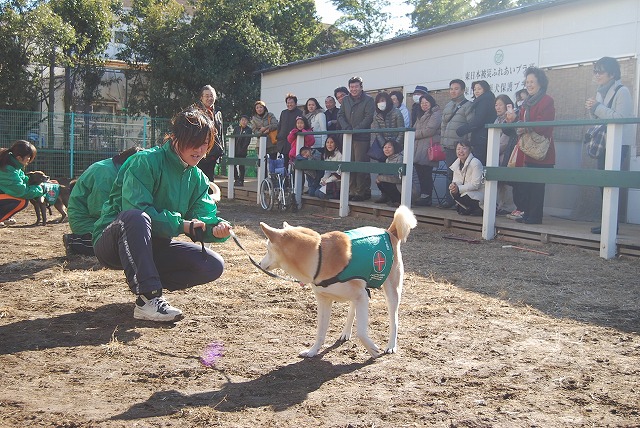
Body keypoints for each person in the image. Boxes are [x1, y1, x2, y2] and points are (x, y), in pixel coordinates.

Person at [92, 107, 232, 322]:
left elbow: (203, 216)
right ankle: (149, 298)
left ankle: (146, 286)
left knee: (213, 265)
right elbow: (136, 208)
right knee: (136, 218)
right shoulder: (145, 161)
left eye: (206, 143)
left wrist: (216, 228)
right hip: (113, 240)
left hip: (152, 245)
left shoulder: (198, 178)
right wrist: (181, 225)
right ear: (175, 138)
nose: (201, 150)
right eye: (195, 142)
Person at [64, 146, 143, 256]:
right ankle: (77, 242)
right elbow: (99, 210)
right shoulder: (106, 174)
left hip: (97, 218)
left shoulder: (115, 169)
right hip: (87, 221)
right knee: (121, 245)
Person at [585, 56, 634, 234]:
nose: (597, 75)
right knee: (602, 182)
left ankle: (611, 224)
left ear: (612, 73)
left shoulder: (622, 91)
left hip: (618, 144)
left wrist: (596, 107)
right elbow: (600, 119)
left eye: (600, 71)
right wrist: (593, 109)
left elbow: (621, 118)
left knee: (610, 183)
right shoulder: (600, 91)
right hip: (604, 142)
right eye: (595, 71)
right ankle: (606, 222)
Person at [505, 66, 556, 225]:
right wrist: (513, 120)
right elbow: (520, 125)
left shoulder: (547, 100)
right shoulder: (526, 102)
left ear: (540, 82)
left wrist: (523, 125)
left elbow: (544, 124)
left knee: (537, 186)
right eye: (527, 82)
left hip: (541, 149)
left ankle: (535, 216)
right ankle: (527, 214)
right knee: (526, 184)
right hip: (526, 149)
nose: (529, 85)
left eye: (532, 81)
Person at [337, 76, 375, 201]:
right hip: (347, 136)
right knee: (349, 163)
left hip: (361, 137)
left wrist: (357, 129)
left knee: (360, 164)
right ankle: (351, 190)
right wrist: (346, 127)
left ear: (361, 87)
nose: (354, 89)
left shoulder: (368, 100)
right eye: (351, 87)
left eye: (356, 86)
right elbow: (340, 115)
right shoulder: (346, 100)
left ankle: (361, 191)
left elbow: (369, 117)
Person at [440, 79, 473, 209]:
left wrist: (468, 146)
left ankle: (460, 202)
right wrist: (442, 142)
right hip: (449, 146)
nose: (453, 91)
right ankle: (449, 200)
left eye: (456, 88)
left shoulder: (468, 105)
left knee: (462, 176)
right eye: (451, 88)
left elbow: (471, 126)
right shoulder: (448, 106)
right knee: (450, 174)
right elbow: (443, 126)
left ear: (463, 90)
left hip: (462, 148)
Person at [0, 140, 45, 226]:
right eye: (29, 157)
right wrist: (40, 189)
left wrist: (41, 183)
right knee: (21, 200)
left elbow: (24, 180)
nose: (30, 159)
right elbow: (22, 191)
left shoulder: (12, 163)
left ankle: (5, 218)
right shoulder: (8, 169)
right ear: (19, 158)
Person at [456, 80, 497, 166]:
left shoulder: (484, 101)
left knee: (478, 165)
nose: (476, 91)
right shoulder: (485, 100)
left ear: (485, 89)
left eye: (479, 89)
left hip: (481, 138)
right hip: (482, 137)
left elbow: (478, 120)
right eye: (475, 89)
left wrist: (462, 129)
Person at [413, 94, 442, 207]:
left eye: (426, 102)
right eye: (422, 103)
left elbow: (430, 130)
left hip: (428, 148)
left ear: (431, 102)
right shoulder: (421, 115)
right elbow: (414, 127)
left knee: (426, 174)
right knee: (420, 173)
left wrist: (413, 135)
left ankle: (427, 197)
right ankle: (423, 195)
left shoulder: (436, 114)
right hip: (419, 148)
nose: (424, 105)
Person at [193, 85, 224, 183]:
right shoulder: (196, 112)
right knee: (198, 179)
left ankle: (210, 198)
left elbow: (221, 133)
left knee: (210, 180)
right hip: (199, 151)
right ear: (201, 98)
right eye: (207, 96)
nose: (210, 98)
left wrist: (221, 149)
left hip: (213, 152)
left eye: (212, 95)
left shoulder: (218, 112)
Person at [493, 94, 518, 216]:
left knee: (506, 183)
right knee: (500, 183)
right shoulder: (497, 119)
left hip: (505, 154)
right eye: (496, 105)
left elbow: (504, 141)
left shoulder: (508, 118)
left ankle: (508, 206)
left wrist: (492, 150)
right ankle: (501, 205)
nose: (497, 107)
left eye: (500, 105)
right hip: (497, 155)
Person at [449, 140, 484, 216]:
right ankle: (470, 209)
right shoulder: (457, 163)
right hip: (465, 191)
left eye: (464, 148)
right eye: (458, 149)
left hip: (478, 193)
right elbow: (456, 180)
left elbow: (476, 185)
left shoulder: (475, 162)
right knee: (452, 191)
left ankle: (479, 209)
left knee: (465, 194)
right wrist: (454, 186)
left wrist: (459, 188)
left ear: (470, 149)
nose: (461, 151)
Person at [370, 91, 405, 159]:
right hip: (382, 147)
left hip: (397, 145)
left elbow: (401, 131)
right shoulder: (376, 114)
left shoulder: (397, 112)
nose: (381, 103)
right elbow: (377, 132)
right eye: (378, 101)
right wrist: (385, 146)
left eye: (383, 100)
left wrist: (394, 146)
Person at [375, 140, 404, 207]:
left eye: (389, 147)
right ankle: (392, 199)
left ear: (395, 148)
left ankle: (398, 201)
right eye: (385, 147)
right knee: (380, 181)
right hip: (396, 183)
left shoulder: (400, 158)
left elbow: (399, 178)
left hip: (407, 188)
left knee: (384, 181)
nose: (386, 149)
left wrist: (381, 178)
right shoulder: (388, 159)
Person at [276, 93, 304, 162]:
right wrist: (278, 136)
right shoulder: (284, 112)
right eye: (288, 103)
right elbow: (279, 126)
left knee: (293, 163)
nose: (289, 104)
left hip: (293, 142)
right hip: (282, 142)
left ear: (295, 103)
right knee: (283, 163)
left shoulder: (300, 113)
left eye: (291, 103)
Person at [233, 115, 252, 187]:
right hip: (235, 150)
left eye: (245, 120)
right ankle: (236, 179)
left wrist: (242, 149)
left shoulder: (248, 130)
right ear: (240, 121)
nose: (244, 122)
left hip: (243, 151)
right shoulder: (236, 129)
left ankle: (241, 180)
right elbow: (234, 138)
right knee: (233, 165)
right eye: (242, 120)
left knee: (241, 166)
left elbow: (247, 141)